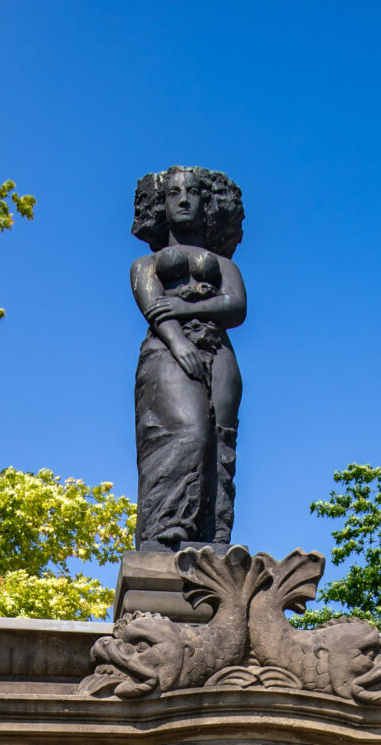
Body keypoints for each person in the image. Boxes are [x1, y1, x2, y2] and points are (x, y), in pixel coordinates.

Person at [129, 167, 246, 551]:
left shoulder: (224, 265)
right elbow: (153, 308)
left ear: (206, 202)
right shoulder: (146, 264)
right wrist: (179, 343)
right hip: (169, 350)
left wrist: (180, 303)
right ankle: (166, 530)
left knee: (219, 439)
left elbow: (237, 306)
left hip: (219, 350)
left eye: (193, 192)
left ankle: (215, 535)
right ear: (160, 205)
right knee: (185, 432)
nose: (183, 199)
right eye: (173, 193)